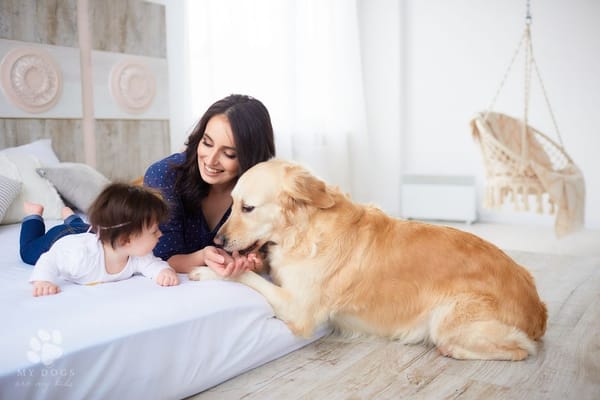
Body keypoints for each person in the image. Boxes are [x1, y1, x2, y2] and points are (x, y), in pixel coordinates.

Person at [144, 94, 275, 277]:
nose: (211, 160)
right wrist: (203, 257)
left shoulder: (262, 193)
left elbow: (267, 257)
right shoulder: (164, 177)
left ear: (250, 159)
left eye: (229, 154)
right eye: (206, 143)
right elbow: (158, 257)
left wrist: (255, 264)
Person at [23, 183, 180, 297]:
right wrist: (43, 281)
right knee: (28, 252)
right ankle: (33, 215)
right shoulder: (80, 256)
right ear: (126, 240)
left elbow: (153, 265)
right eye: (154, 231)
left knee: (83, 227)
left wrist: (164, 272)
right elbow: (50, 259)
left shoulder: (136, 255)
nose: (160, 234)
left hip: (90, 231)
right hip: (62, 236)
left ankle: (70, 216)